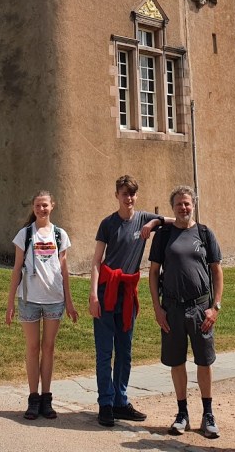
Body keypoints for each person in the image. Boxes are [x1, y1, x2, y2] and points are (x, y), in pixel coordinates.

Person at [90, 174, 170, 427]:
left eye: (133, 193)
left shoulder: (144, 219)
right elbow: (95, 262)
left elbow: (173, 221)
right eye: (125, 193)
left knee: (124, 351)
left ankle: (120, 402)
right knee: (105, 352)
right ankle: (105, 403)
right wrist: (93, 295)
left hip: (127, 294)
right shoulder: (108, 224)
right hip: (106, 290)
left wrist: (154, 221)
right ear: (117, 195)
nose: (129, 198)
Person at [148, 185, 223, 439]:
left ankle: (208, 413)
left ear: (194, 205)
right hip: (172, 308)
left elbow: (216, 271)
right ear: (173, 207)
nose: (183, 208)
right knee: (176, 361)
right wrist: (158, 309)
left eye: (187, 203)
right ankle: (182, 413)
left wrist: (215, 307)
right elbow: (153, 272)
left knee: (204, 361)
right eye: (179, 204)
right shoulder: (164, 236)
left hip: (201, 307)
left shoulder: (204, 233)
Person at [6, 190, 79, 421]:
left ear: (52, 206)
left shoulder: (60, 235)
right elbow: (16, 269)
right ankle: (33, 398)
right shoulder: (25, 235)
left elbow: (64, 270)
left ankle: (46, 398)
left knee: (48, 348)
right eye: (38, 206)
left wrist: (69, 301)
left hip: (54, 299)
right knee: (32, 348)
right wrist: (9, 304)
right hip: (29, 299)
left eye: (45, 205)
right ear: (33, 207)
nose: (42, 209)